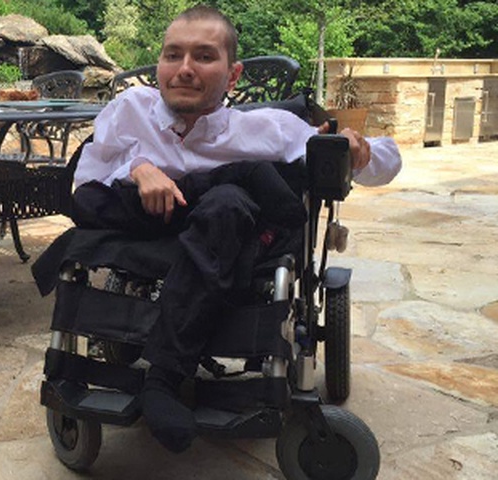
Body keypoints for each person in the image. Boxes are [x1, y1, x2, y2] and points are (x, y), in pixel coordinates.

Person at [70, 5, 401, 454]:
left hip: (226, 244)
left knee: (228, 202)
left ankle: (163, 378)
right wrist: (138, 168)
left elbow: (388, 161)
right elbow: (87, 179)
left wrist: (359, 149)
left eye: (204, 56)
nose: (184, 68)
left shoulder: (266, 129)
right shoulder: (130, 110)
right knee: (209, 191)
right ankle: (241, 180)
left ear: (233, 75)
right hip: (147, 228)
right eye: (173, 55)